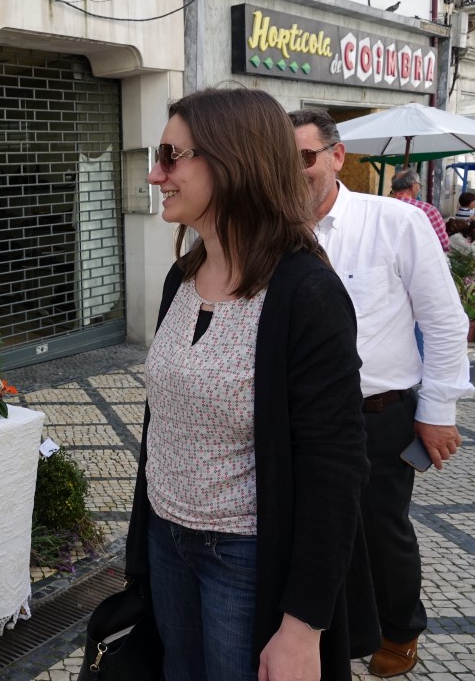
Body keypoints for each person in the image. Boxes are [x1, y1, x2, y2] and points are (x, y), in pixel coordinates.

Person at [126, 88, 378, 681]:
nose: (156, 174)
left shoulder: (305, 293)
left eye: (171, 155)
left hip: (244, 559)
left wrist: (302, 626)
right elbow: (162, 420)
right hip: (167, 540)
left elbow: (335, 467)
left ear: (232, 161)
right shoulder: (182, 278)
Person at [291, 108, 472, 678]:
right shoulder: (273, 231)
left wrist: (438, 411)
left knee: (379, 530)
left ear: (337, 156)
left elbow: (444, 322)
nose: (293, 170)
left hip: (377, 415)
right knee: (306, 528)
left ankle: (399, 629)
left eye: (305, 157)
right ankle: (320, 628)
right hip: (298, 417)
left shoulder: (395, 222)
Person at [389, 170, 449, 252]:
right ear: (413, 186)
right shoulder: (428, 210)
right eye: (419, 184)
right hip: (419, 256)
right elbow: (444, 243)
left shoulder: (383, 206)